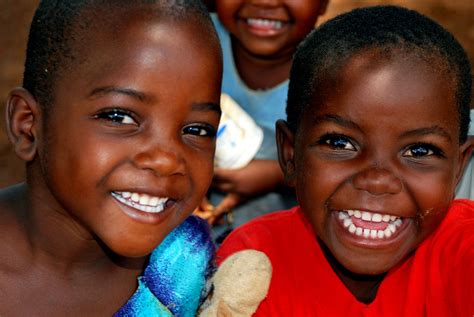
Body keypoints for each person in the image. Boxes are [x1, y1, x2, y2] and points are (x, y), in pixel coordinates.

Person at [217, 5, 474, 316]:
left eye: (419, 151)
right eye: (340, 143)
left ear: (459, 167)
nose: (377, 180)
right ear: (289, 153)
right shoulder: (254, 263)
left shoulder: (463, 251)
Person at [0, 0, 223, 315]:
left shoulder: (187, 272)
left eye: (197, 129)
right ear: (28, 126)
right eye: (119, 116)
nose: (166, 160)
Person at [202, 0, 329, 240]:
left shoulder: (336, 74)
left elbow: (350, 165)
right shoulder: (191, 37)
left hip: (274, 245)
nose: (265, 1)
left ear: (324, 3)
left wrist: (277, 175)